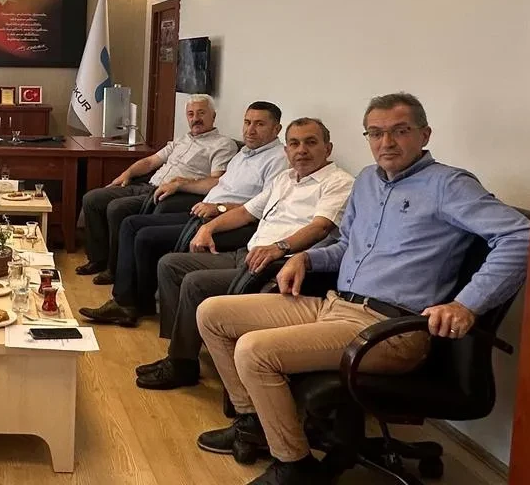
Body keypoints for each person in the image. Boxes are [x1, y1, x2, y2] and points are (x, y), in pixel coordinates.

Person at [195, 94, 530, 485]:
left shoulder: (448, 184)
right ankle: (254, 424)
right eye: (376, 133)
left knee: (254, 350)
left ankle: (295, 468)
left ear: (424, 134)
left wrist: (467, 304)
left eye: (400, 131)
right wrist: (305, 258)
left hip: (390, 328)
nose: (386, 142)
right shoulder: (369, 181)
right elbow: (346, 245)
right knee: (213, 313)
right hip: (336, 307)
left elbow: (521, 236)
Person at [132, 118, 354, 390]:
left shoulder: (339, 182)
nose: (301, 150)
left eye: (311, 142)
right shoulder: (284, 179)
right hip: (247, 253)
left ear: (327, 148)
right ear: (286, 150)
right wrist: (208, 228)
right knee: (171, 265)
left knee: (195, 282)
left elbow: (321, 227)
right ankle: (181, 348)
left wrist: (279, 247)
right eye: (294, 144)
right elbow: (246, 212)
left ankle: (181, 364)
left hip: (278, 265)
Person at [78, 102, 287, 328]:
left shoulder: (278, 160)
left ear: (276, 129)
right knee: (130, 224)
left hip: (228, 223)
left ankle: (127, 304)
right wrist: (182, 183)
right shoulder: (245, 153)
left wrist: (220, 208)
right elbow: (217, 183)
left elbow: (265, 207)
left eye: (259, 124)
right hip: (203, 212)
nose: (250, 130)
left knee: (146, 236)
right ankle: (131, 301)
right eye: (247, 122)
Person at [77, 94, 239, 284]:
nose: (195, 118)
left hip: (169, 194)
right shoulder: (181, 140)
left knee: (117, 208)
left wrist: (182, 183)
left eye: (201, 113)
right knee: (92, 199)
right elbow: (151, 161)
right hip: (147, 185)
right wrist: (127, 173)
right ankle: (98, 259)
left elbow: (217, 181)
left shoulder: (223, 144)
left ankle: (114, 270)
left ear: (213, 116)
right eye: (191, 114)